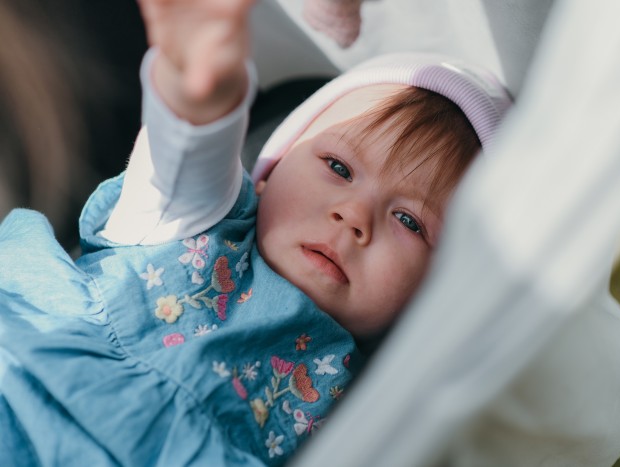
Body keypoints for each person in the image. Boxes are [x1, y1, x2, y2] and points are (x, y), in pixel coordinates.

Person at [0, 0, 510, 465]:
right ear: (269, 172)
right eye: (337, 166)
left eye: (410, 221)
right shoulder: (197, 221)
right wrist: (201, 79)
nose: (354, 216)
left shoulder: (382, 391)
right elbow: (190, 143)